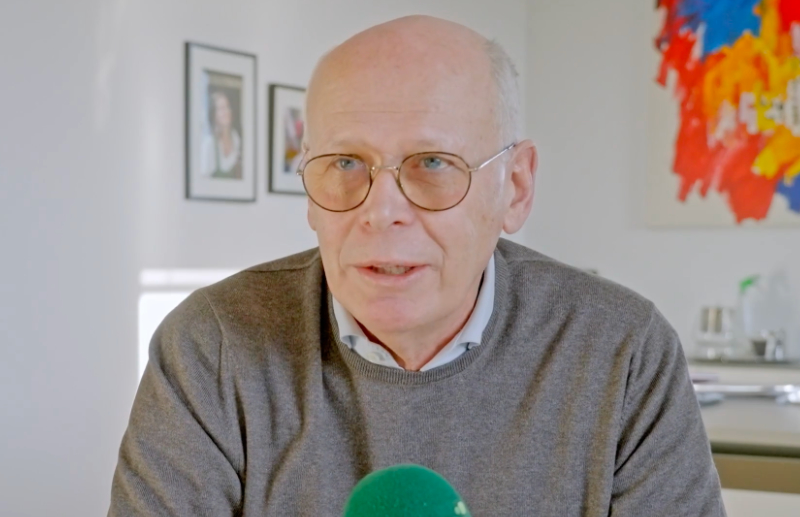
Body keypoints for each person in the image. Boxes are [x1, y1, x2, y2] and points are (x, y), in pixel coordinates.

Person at [109, 15, 726, 516]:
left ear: (514, 188)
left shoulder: (622, 352)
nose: (381, 213)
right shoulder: (212, 347)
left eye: (432, 164)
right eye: (345, 164)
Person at [201, 90, 243, 179]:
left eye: (227, 107)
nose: (226, 111)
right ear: (214, 114)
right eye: (221, 108)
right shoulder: (209, 143)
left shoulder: (235, 137)